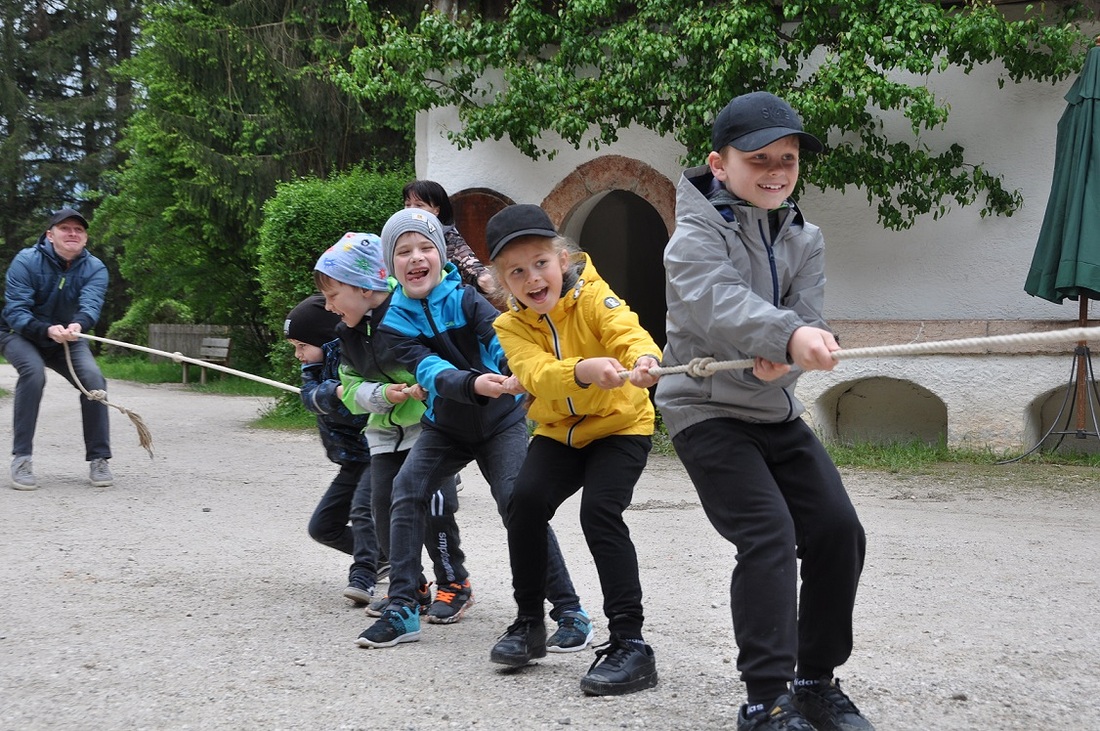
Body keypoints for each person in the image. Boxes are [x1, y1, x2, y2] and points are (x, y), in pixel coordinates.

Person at [654, 91, 874, 731]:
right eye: (759, 160)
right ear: (719, 165)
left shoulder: (806, 237)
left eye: (789, 158)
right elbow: (717, 303)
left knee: (838, 531)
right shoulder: (691, 239)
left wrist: (799, 346)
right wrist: (783, 337)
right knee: (769, 534)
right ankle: (765, 701)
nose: (777, 171)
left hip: (774, 411)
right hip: (706, 411)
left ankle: (814, 680)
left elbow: (809, 317)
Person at [356, 208, 588, 649]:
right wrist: (473, 384)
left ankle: (570, 611)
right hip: (446, 425)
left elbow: (500, 341)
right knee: (406, 490)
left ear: (441, 256)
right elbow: (430, 372)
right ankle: (403, 606)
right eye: (403, 251)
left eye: (425, 248)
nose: (416, 258)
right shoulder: (393, 322)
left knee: (517, 504)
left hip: (502, 421)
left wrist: (514, 372)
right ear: (392, 265)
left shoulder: (465, 298)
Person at [484, 204, 661, 696]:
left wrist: (643, 358)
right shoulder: (510, 327)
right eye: (516, 271)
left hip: (620, 427)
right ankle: (528, 624)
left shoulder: (593, 296)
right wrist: (583, 369)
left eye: (540, 262)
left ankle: (630, 643)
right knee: (524, 504)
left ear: (562, 260)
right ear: (503, 283)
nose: (532, 277)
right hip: (559, 432)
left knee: (599, 513)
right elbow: (535, 374)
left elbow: (626, 330)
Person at [311, 232, 469, 627]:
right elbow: (348, 388)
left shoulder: (409, 313)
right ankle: (410, 586)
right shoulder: (347, 333)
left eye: (333, 295)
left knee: (435, 511)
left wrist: (419, 388)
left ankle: (454, 582)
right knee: (383, 512)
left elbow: (441, 362)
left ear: (363, 288)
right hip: (384, 436)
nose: (328, 306)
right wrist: (384, 395)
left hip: (430, 431)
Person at [1, 207, 113, 490]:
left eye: (79, 230)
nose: (73, 234)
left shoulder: (95, 268)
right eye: (65, 229)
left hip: (68, 339)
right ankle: (22, 459)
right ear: (50, 235)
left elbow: (91, 305)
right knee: (34, 374)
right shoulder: (25, 261)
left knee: (94, 381)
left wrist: (78, 325)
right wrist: (46, 329)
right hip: (21, 334)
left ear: (85, 238)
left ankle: (99, 459)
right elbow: (16, 310)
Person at [284, 293, 383, 606]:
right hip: (351, 459)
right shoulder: (313, 371)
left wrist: (345, 392)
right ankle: (384, 555)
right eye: (295, 348)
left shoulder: (353, 360)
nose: (298, 355)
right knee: (323, 527)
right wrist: (332, 391)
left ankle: (364, 574)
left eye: (302, 346)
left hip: (377, 452)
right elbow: (311, 397)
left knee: (363, 512)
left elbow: (361, 407)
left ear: (325, 339)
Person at [403, 180, 495, 295]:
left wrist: (482, 276)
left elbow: (467, 259)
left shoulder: (449, 237)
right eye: (407, 204)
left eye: (419, 205)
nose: (411, 209)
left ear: (436, 210)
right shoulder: (400, 236)